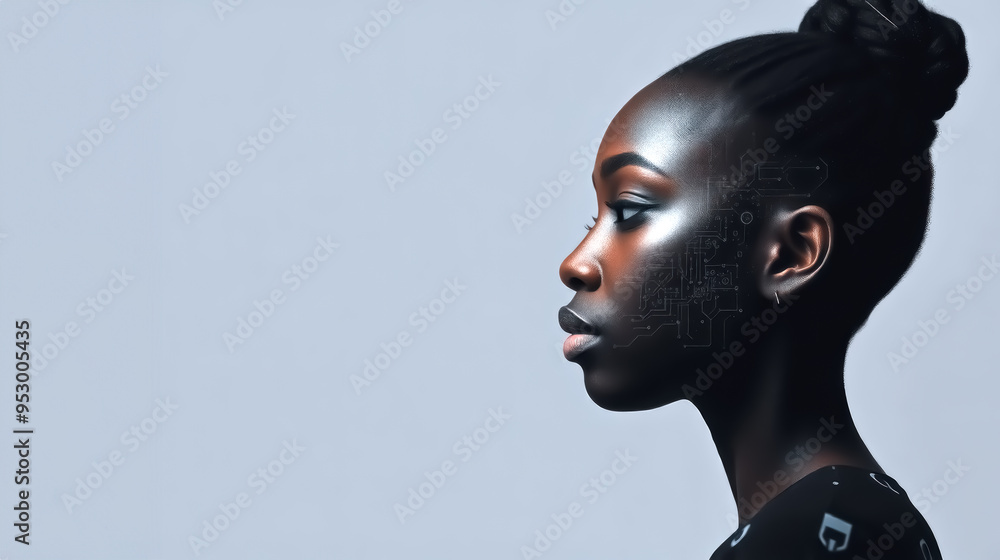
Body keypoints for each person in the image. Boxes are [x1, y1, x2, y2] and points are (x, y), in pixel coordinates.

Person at [556, 0, 969, 557]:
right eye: (594, 218)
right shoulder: (854, 520)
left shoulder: (820, 532)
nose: (577, 263)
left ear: (793, 253)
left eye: (630, 211)